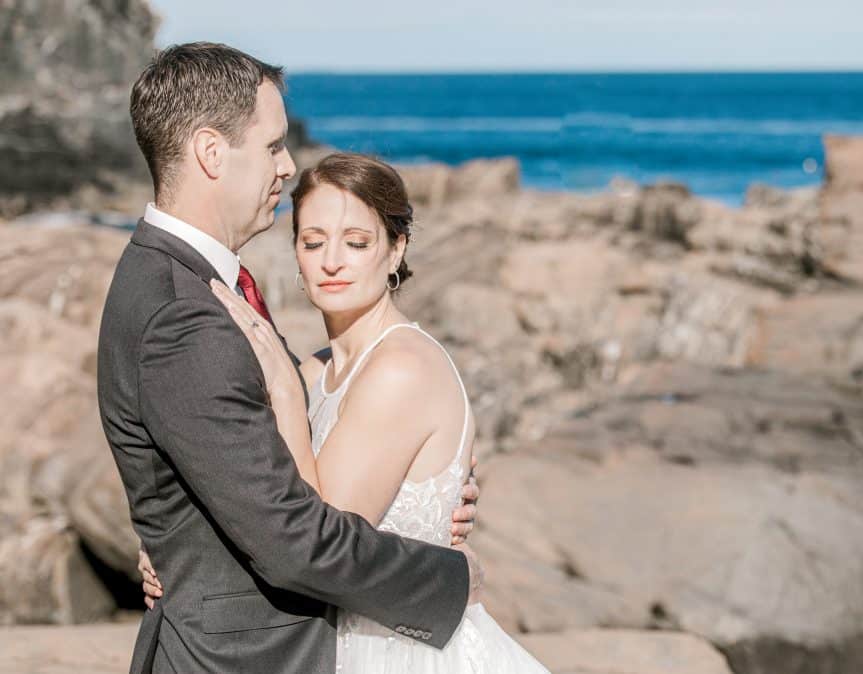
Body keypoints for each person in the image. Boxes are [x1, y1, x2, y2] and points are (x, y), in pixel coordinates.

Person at [97, 42, 481, 674]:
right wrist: (449, 577)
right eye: (273, 145)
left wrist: (431, 492)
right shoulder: (183, 313)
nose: (287, 164)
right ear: (211, 152)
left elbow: (234, 470)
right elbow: (290, 542)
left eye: (357, 241)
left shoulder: (183, 282)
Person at [144, 151, 549, 672]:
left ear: (396, 249)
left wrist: (286, 398)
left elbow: (319, 539)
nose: (331, 261)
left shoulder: (402, 369)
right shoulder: (313, 372)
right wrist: (172, 549)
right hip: (329, 645)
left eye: (356, 243)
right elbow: (239, 488)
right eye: (313, 242)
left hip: (397, 651)